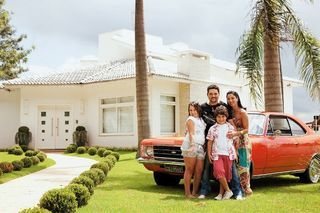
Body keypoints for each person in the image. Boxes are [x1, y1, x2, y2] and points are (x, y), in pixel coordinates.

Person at [198, 84, 232, 199]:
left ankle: (231, 191)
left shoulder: (224, 106)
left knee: (227, 170)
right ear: (207, 94)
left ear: (218, 94)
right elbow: (197, 122)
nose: (213, 96)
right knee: (206, 167)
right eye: (211, 93)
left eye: (215, 93)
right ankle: (204, 191)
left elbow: (230, 123)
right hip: (208, 142)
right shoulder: (202, 107)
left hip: (225, 146)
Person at [206, 105, 237, 200]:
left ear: (226, 116)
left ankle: (220, 194)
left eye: (223, 116)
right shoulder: (212, 128)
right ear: (215, 117)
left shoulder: (230, 127)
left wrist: (236, 153)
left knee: (225, 175)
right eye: (219, 116)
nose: (221, 118)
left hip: (228, 154)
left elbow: (235, 142)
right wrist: (209, 154)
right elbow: (210, 142)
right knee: (219, 172)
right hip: (217, 154)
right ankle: (228, 191)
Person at [227, 91, 253, 196]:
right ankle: (237, 190)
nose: (230, 100)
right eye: (228, 99)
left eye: (232, 98)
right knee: (235, 167)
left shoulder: (243, 112)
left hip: (243, 142)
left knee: (243, 166)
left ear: (237, 98)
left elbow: (247, 129)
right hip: (233, 142)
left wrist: (236, 133)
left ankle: (246, 190)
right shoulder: (229, 112)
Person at [181, 101, 206, 198]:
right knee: (189, 169)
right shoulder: (190, 119)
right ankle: (188, 193)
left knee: (199, 170)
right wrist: (192, 145)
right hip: (191, 145)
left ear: (198, 109)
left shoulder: (201, 120)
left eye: (194, 110)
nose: (192, 112)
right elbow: (191, 133)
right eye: (190, 110)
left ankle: (194, 192)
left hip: (200, 146)